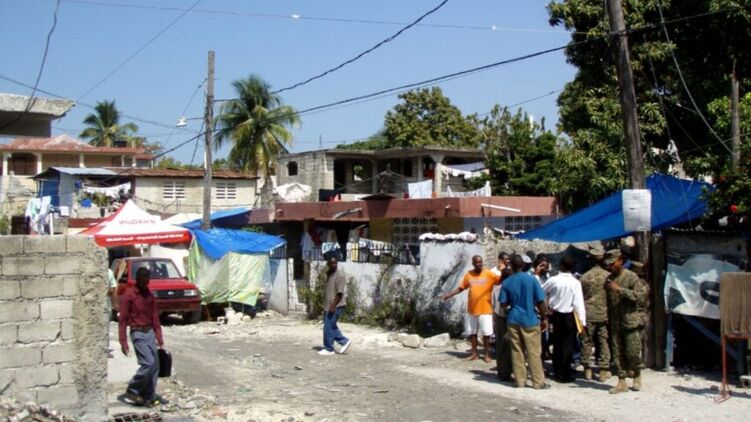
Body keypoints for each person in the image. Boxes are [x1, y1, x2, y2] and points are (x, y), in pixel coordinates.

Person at [118, 268, 168, 407]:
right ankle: (133, 389)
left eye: (147, 278)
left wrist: (159, 338)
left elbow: (155, 317)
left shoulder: (149, 295)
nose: (145, 281)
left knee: (155, 365)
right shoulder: (129, 295)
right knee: (148, 363)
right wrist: (123, 341)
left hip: (149, 331)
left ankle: (149, 395)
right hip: (137, 332)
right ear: (137, 279)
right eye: (143, 278)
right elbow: (122, 319)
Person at [499, 255, 549, 389]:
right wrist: (544, 318)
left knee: (517, 351)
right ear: (523, 265)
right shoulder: (532, 280)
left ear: (512, 266)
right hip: (530, 319)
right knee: (533, 351)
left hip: (513, 319)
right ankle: (538, 382)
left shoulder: (507, 282)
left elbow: (503, 303)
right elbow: (540, 302)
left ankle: (520, 381)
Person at [604, 249, 649, 394]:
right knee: (617, 353)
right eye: (608, 264)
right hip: (615, 321)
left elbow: (640, 297)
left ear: (620, 261)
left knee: (632, 351)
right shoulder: (609, 279)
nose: (611, 267)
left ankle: (637, 374)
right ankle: (621, 381)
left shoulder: (632, 277)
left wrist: (620, 290)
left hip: (629, 321)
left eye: (613, 263)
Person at [442, 255, 501, 363]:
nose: (479, 264)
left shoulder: (489, 274)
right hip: (472, 309)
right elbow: (461, 288)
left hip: (485, 309)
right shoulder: (469, 274)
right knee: (472, 333)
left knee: (486, 333)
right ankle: (474, 353)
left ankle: (487, 355)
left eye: (480, 262)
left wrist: (506, 270)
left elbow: (501, 280)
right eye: (477, 262)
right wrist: (449, 294)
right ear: (473, 263)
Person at [543, 255, 586, 383]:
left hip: (555, 315)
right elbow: (579, 303)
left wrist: (546, 306)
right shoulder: (575, 283)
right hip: (569, 316)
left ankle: (557, 370)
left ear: (561, 265)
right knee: (568, 345)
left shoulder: (553, 280)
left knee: (557, 343)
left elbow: (541, 291)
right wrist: (582, 321)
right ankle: (565, 372)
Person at [579, 249, 612, 382]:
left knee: (586, 340)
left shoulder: (585, 277)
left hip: (588, 313)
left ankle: (587, 368)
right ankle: (603, 369)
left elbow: (580, 296)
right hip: (603, 313)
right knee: (603, 341)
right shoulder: (608, 276)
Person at [319, 256, 352, 356]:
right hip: (328, 305)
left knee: (328, 327)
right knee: (331, 326)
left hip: (336, 305)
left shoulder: (340, 275)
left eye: (335, 263)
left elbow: (340, 293)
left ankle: (329, 348)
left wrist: (333, 305)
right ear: (328, 264)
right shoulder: (329, 274)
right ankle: (344, 341)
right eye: (332, 263)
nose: (334, 265)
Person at [491, 252, 512, 380]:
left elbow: (494, 304)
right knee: (506, 345)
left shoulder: (496, 287)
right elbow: (505, 305)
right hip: (505, 318)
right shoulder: (505, 288)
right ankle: (505, 371)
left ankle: (502, 370)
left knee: (500, 345)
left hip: (498, 317)